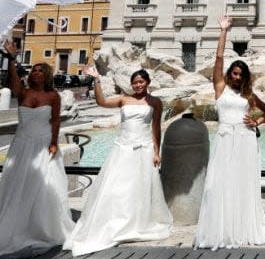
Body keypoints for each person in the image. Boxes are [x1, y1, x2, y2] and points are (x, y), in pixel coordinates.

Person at [194, 16, 265, 249]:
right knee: (218, 183)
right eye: (234, 73)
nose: (236, 77)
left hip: (245, 139)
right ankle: (222, 227)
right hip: (225, 138)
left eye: (240, 74)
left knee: (242, 183)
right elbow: (219, 59)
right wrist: (224, 31)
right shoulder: (219, 87)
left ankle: (242, 226)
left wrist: (257, 122)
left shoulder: (248, 95)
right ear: (229, 74)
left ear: (244, 77)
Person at [64, 66, 172, 255]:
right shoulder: (124, 99)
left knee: (139, 187)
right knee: (116, 186)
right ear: (131, 84)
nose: (138, 85)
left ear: (147, 82)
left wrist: (157, 151)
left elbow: (156, 128)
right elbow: (101, 102)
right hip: (122, 148)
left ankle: (137, 221)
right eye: (135, 82)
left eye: (141, 81)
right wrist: (96, 79)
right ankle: (113, 221)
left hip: (144, 148)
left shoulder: (155, 102)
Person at [0, 41, 74, 256]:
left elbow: (56, 121)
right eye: (33, 70)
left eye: (40, 70)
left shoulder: (53, 96)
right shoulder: (22, 93)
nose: (35, 72)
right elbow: (13, 81)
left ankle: (42, 228)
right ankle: (16, 225)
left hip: (43, 144)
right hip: (22, 145)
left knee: (43, 186)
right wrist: (12, 58)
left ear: (47, 75)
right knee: (17, 185)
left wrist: (53, 142)